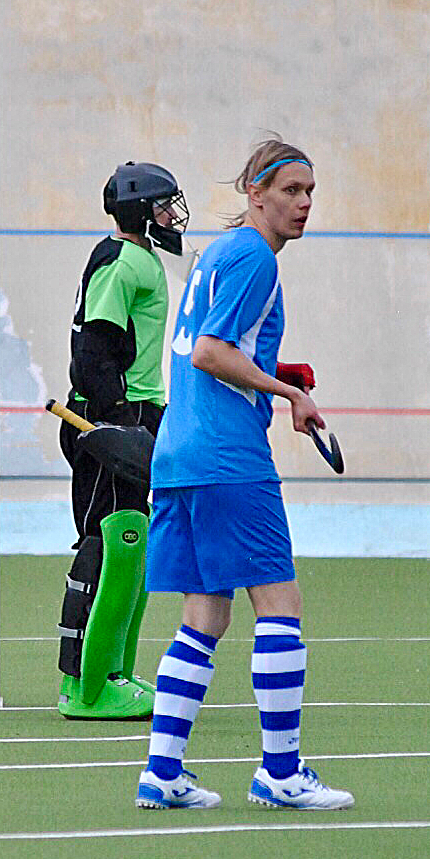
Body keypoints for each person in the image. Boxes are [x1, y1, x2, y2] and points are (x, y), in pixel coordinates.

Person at [134, 138, 354, 810]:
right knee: (279, 605)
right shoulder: (256, 257)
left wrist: (274, 373)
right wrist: (288, 394)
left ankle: (162, 772)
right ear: (254, 194)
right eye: (290, 190)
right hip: (227, 456)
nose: (304, 203)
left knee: (204, 614)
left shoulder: (221, 253)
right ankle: (280, 772)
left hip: (179, 453)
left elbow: (212, 347)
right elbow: (209, 352)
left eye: (309, 192)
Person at [56, 161, 189, 720]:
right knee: (111, 543)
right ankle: (86, 688)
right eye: (163, 206)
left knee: (132, 549)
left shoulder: (141, 258)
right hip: (110, 417)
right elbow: (93, 349)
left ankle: (115, 672)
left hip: (137, 414)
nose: (172, 216)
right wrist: (114, 422)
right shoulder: (118, 261)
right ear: (139, 210)